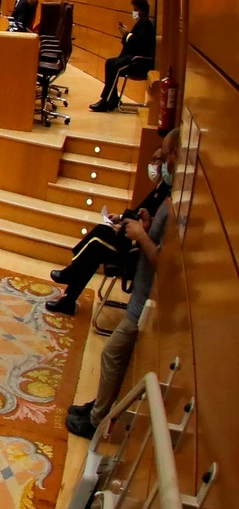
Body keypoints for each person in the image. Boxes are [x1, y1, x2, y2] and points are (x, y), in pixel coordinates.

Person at [63, 133, 178, 438]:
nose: (160, 163)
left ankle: (97, 421)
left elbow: (166, 260)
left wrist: (141, 235)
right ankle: (99, 407)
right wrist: (147, 221)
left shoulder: (180, 202)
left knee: (112, 355)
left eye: (164, 156)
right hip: (141, 293)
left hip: (145, 303)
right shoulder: (170, 194)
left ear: (177, 156)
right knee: (117, 358)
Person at [48, 132, 176, 316]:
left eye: (160, 159)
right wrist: (122, 219)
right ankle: (69, 290)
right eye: (154, 160)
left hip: (138, 250)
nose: (156, 165)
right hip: (134, 238)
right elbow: (141, 214)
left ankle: (71, 276)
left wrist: (136, 227)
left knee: (96, 246)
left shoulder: (167, 192)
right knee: (99, 235)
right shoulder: (161, 186)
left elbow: (152, 227)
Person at [91, 0, 157, 112]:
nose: (134, 12)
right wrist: (126, 35)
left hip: (138, 62)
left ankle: (106, 100)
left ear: (142, 10)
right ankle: (113, 98)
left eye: (136, 10)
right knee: (110, 63)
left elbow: (138, 43)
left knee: (113, 65)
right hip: (133, 59)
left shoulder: (145, 23)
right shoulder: (142, 23)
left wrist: (126, 34)